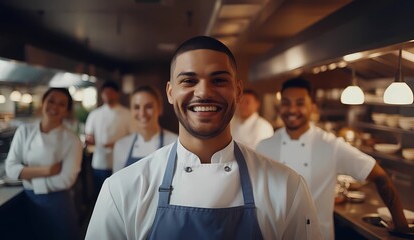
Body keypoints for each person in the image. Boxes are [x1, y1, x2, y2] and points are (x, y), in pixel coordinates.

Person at [86, 36, 321, 240]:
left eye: (218, 80)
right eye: (188, 81)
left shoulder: (288, 188)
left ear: (238, 91)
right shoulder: (122, 189)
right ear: (170, 92)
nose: (204, 92)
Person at [257, 77, 410, 239]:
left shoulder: (331, 146)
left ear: (313, 107)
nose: (292, 110)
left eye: (300, 103)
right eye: (286, 103)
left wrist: (401, 225)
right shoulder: (264, 147)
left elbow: (379, 176)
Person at [5, 88, 82, 240]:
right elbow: (10, 168)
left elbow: (66, 179)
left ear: (67, 111)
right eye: (51, 100)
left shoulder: (72, 139)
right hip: (28, 201)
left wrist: (28, 175)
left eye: (62, 104)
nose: (54, 106)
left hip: (59, 204)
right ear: (43, 102)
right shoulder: (24, 131)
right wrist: (47, 170)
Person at [113, 85, 178, 172]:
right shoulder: (121, 146)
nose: (142, 113)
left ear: (160, 108)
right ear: (131, 111)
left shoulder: (175, 143)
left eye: (148, 107)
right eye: (136, 107)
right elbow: (117, 184)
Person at [85, 80, 132, 196]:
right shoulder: (95, 114)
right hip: (99, 161)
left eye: (110, 92)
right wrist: (90, 140)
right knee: (100, 195)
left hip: (121, 162)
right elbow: (89, 136)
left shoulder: (127, 114)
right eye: (105, 93)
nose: (107, 95)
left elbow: (134, 137)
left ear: (117, 94)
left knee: (118, 195)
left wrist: (117, 144)